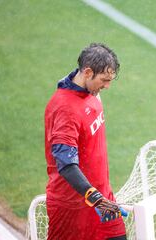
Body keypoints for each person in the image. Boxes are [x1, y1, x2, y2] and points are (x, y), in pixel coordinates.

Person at [44, 43, 128, 240]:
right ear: (88, 72)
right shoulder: (65, 109)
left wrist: (101, 198)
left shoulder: (91, 93)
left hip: (103, 200)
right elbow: (66, 165)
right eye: (104, 80)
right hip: (73, 207)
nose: (107, 86)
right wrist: (96, 199)